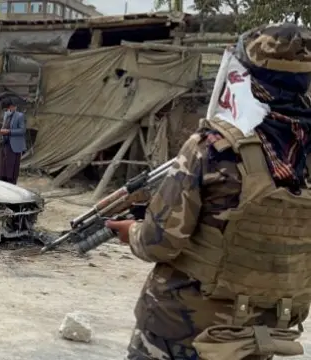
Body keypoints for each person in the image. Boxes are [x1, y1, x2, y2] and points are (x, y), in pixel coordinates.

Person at [105, 23, 311, 360]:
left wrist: (133, 233)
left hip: (185, 331)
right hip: (260, 334)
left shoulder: (211, 148)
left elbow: (161, 242)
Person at [0, 98, 26, 184]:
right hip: (4, 144)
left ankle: (11, 185)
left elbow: (22, 130)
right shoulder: (6, 115)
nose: (9, 109)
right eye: (8, 108)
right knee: (2, 167)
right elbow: (4, 126)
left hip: (13, 146)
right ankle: (3, 184)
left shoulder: (20, 116)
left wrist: (9, 131)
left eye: (11, 107)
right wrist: (1, 131)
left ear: (14, 107)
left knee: (11, 169)